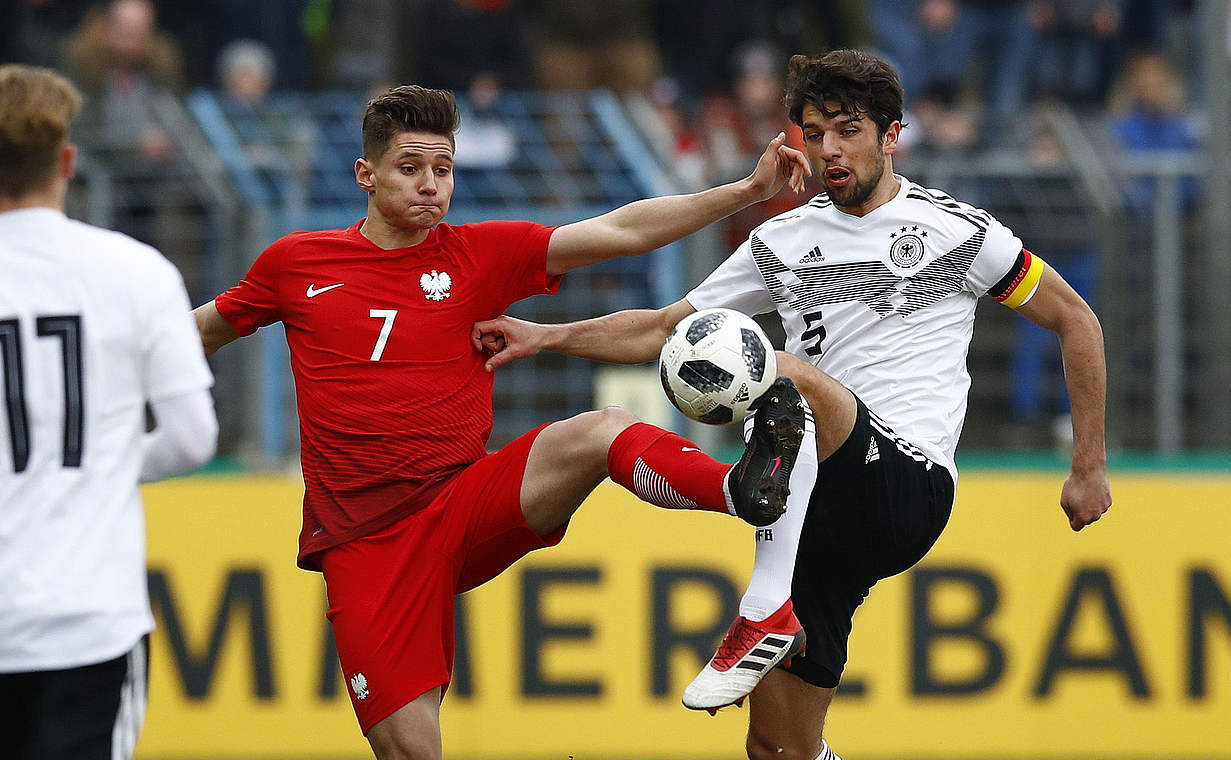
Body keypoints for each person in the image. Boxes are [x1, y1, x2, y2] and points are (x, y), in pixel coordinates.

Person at [473, 49, 1112, 760]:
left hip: (905, 482)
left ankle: (761, 608)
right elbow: (662, 328)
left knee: (775, 371)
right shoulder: (780, 240)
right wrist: (546, 333)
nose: (830, 150)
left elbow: (1075, 319)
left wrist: (1088, 466)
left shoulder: (958, 232)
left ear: (891, 135)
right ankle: (778, 618)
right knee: (779, 749)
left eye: (849, 130)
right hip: (819, 511)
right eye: (815, 133)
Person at [190, 84, 812, 758]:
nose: (431, 185)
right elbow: (197, 334)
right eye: (410, 168)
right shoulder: (295, 264)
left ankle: (738, 488)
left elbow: (622, 231)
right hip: (365, 544)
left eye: (444, 169)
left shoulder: (476, 255)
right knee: (411, 752)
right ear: (365, 175)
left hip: (462, 502)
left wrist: (747, 191)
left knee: (601, 428)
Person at [0, 64, 217, 759]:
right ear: (66, 161)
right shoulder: (135, 272)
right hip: (88, 616)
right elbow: (192, 437)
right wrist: (109, 461)